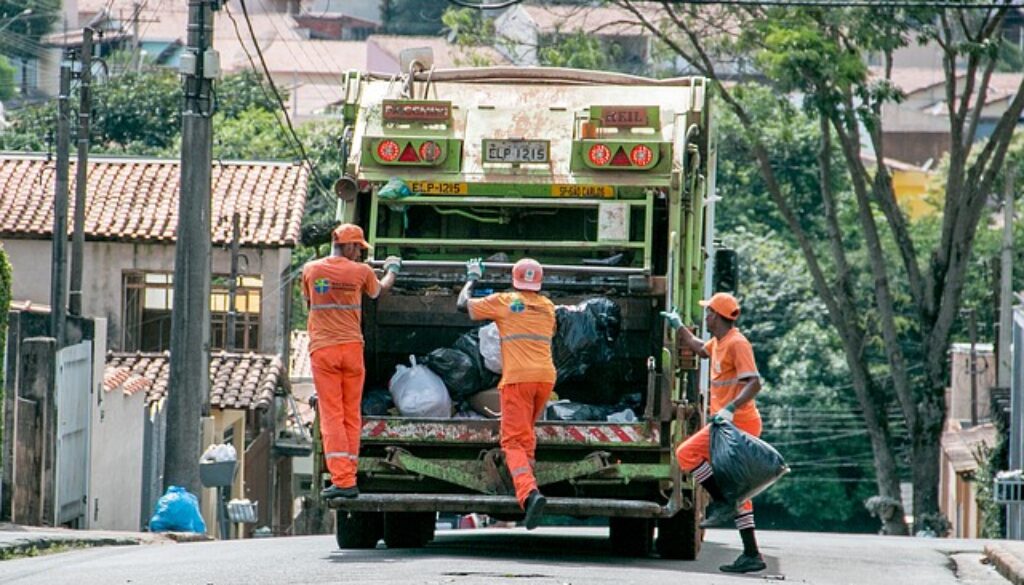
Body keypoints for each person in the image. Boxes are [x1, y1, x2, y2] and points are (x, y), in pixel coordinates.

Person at [661, 292, 766, 574]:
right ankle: (751, 553)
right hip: (727, 424)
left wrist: (730, 408)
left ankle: (722, 503)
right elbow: (698, 348)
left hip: (738, 424)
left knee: (686, 453)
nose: (705, 316)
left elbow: (754, 383)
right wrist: (678, 326)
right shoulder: (719, 342)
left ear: (718, 316)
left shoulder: (737, 343)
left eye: (708, 312)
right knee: (739, 491)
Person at [302, 223, 401, 500]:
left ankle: (344, 480)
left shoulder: (311, 270)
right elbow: (380, 291)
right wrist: (393, 268)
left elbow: (310, 302)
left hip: (324, 351)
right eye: (357, 247)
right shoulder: (362, 272)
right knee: (350, 415)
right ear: (345, 245)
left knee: (332, 415)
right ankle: (349, 473)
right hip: (352, 351)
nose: (359, 253)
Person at [457, 257, 555, 530]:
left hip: (518, 380)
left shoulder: (505, 301)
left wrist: (472, 278)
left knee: (511, 441)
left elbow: (462, 305)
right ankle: (527, 484)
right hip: (545, 378)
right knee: (526, 435)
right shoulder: (548, 307)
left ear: (514, 279)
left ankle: (528, 493)